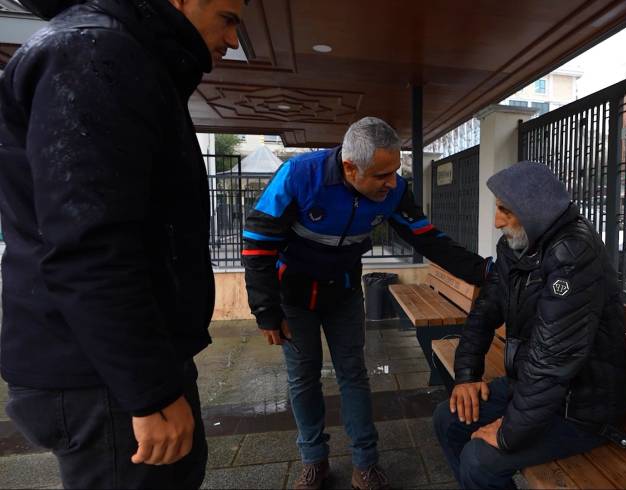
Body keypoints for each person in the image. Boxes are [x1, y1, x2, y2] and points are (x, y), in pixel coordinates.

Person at [0, 0, 246, 487]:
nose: (234, 40)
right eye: (229, 17)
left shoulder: (116, 51)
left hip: (111, 362)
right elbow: (90, 243)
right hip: (102, 375)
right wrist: (149, 391)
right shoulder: (97, 52)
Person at [242, 116, 488, 489]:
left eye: (394, 173)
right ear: (349, 167)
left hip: (342, 293)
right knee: (303, 378)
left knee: (354, 374)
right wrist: (266, 312)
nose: (392, 184)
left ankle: (365, 463)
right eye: (381, 176)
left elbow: (427, 238)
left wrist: (485, 273)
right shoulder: (299, 175)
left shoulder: (394, 188)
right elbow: (257, 244)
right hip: (292, 297)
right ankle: (313, 459)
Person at [432, 162, 626, 489]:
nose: (497, 222)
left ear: (535, 211)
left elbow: (554, 358)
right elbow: (484, 312)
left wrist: (509, 434)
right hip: (531, 389)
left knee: (480, 460)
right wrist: (467, 375)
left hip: (579, 409)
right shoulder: (516, 245)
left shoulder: (573, 252)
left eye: (505, 211)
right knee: (447, 418)